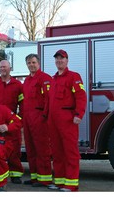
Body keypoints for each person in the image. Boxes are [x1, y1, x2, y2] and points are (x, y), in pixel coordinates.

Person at [47, 49, 87, 192]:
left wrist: (79, 114)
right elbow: (49, 101)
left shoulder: (73, 77)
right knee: (57, 152)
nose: (59, 61)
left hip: (67, 120)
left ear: (67, 60)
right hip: (53, 121)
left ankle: (71, 183)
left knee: (70, 151)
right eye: (57, 59)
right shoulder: (53, 79)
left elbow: (81, 97)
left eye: (62, 59)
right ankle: (59, 181)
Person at [0, 60, 24, 184]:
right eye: (1, 67)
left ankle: (16, 174)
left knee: (14, 147)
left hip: (11, 119)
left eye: (5, 67)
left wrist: (19, 118)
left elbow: (22, 103)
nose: (3, 69)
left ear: (10, 68)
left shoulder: (17, 84)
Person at [22, 54, 53, 187]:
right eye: (29, 63)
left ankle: (45, 179)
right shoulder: (27, 80)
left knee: (42, 149)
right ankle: (35, 177)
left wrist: (44, 116)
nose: (31, 65)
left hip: (39, 118)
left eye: (33, 62)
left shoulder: (45, 78)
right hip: (28, 119)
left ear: (38, 63)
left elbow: (49, 99)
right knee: (30, 149)